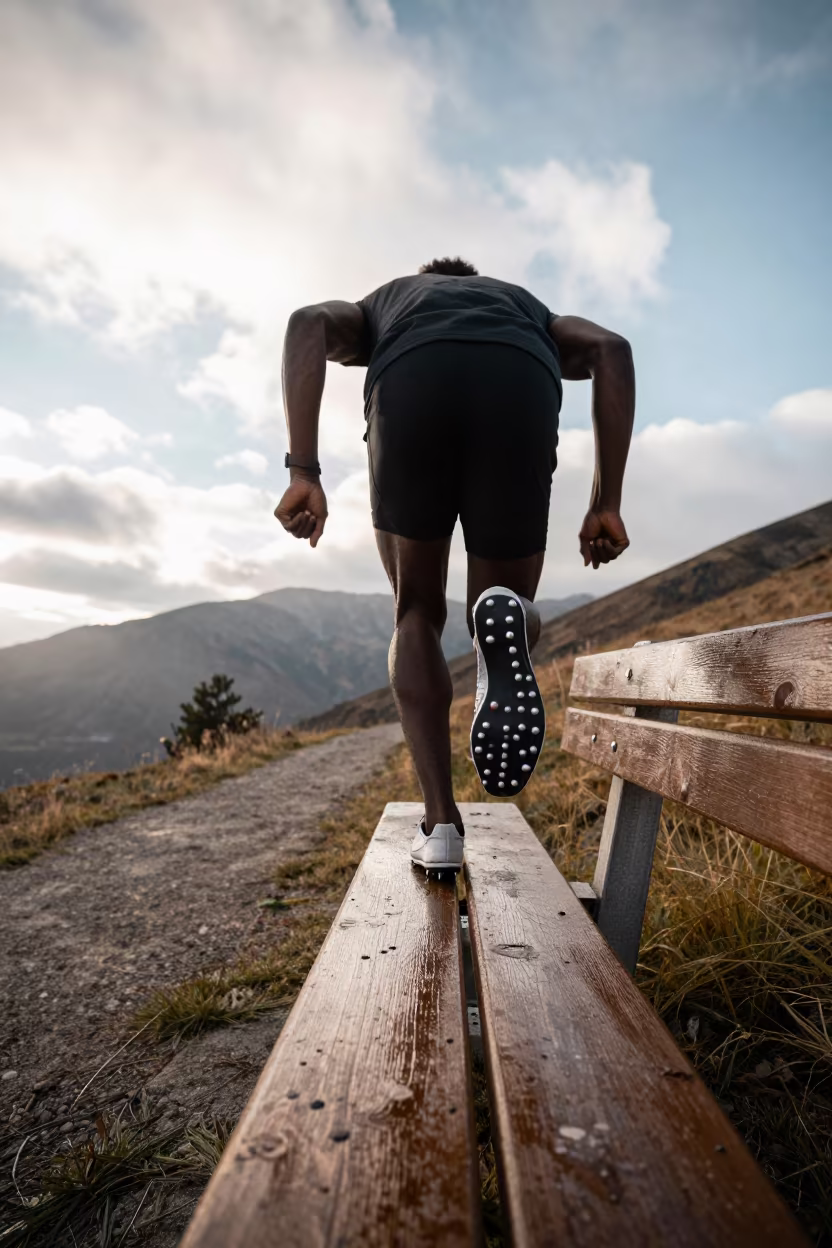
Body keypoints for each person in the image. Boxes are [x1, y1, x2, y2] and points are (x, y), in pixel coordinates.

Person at [274, 257, 633, 873]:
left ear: (429, 277)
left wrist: (303, 471)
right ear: (474, 280)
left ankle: (441, 827)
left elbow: (306, 322)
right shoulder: (525, 307)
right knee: (501, 604)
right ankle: (510, 616)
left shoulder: (390, 302)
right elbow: (612, 349)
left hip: (411, 379)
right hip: (519, 381)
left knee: (415, 611)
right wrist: (606, 503)